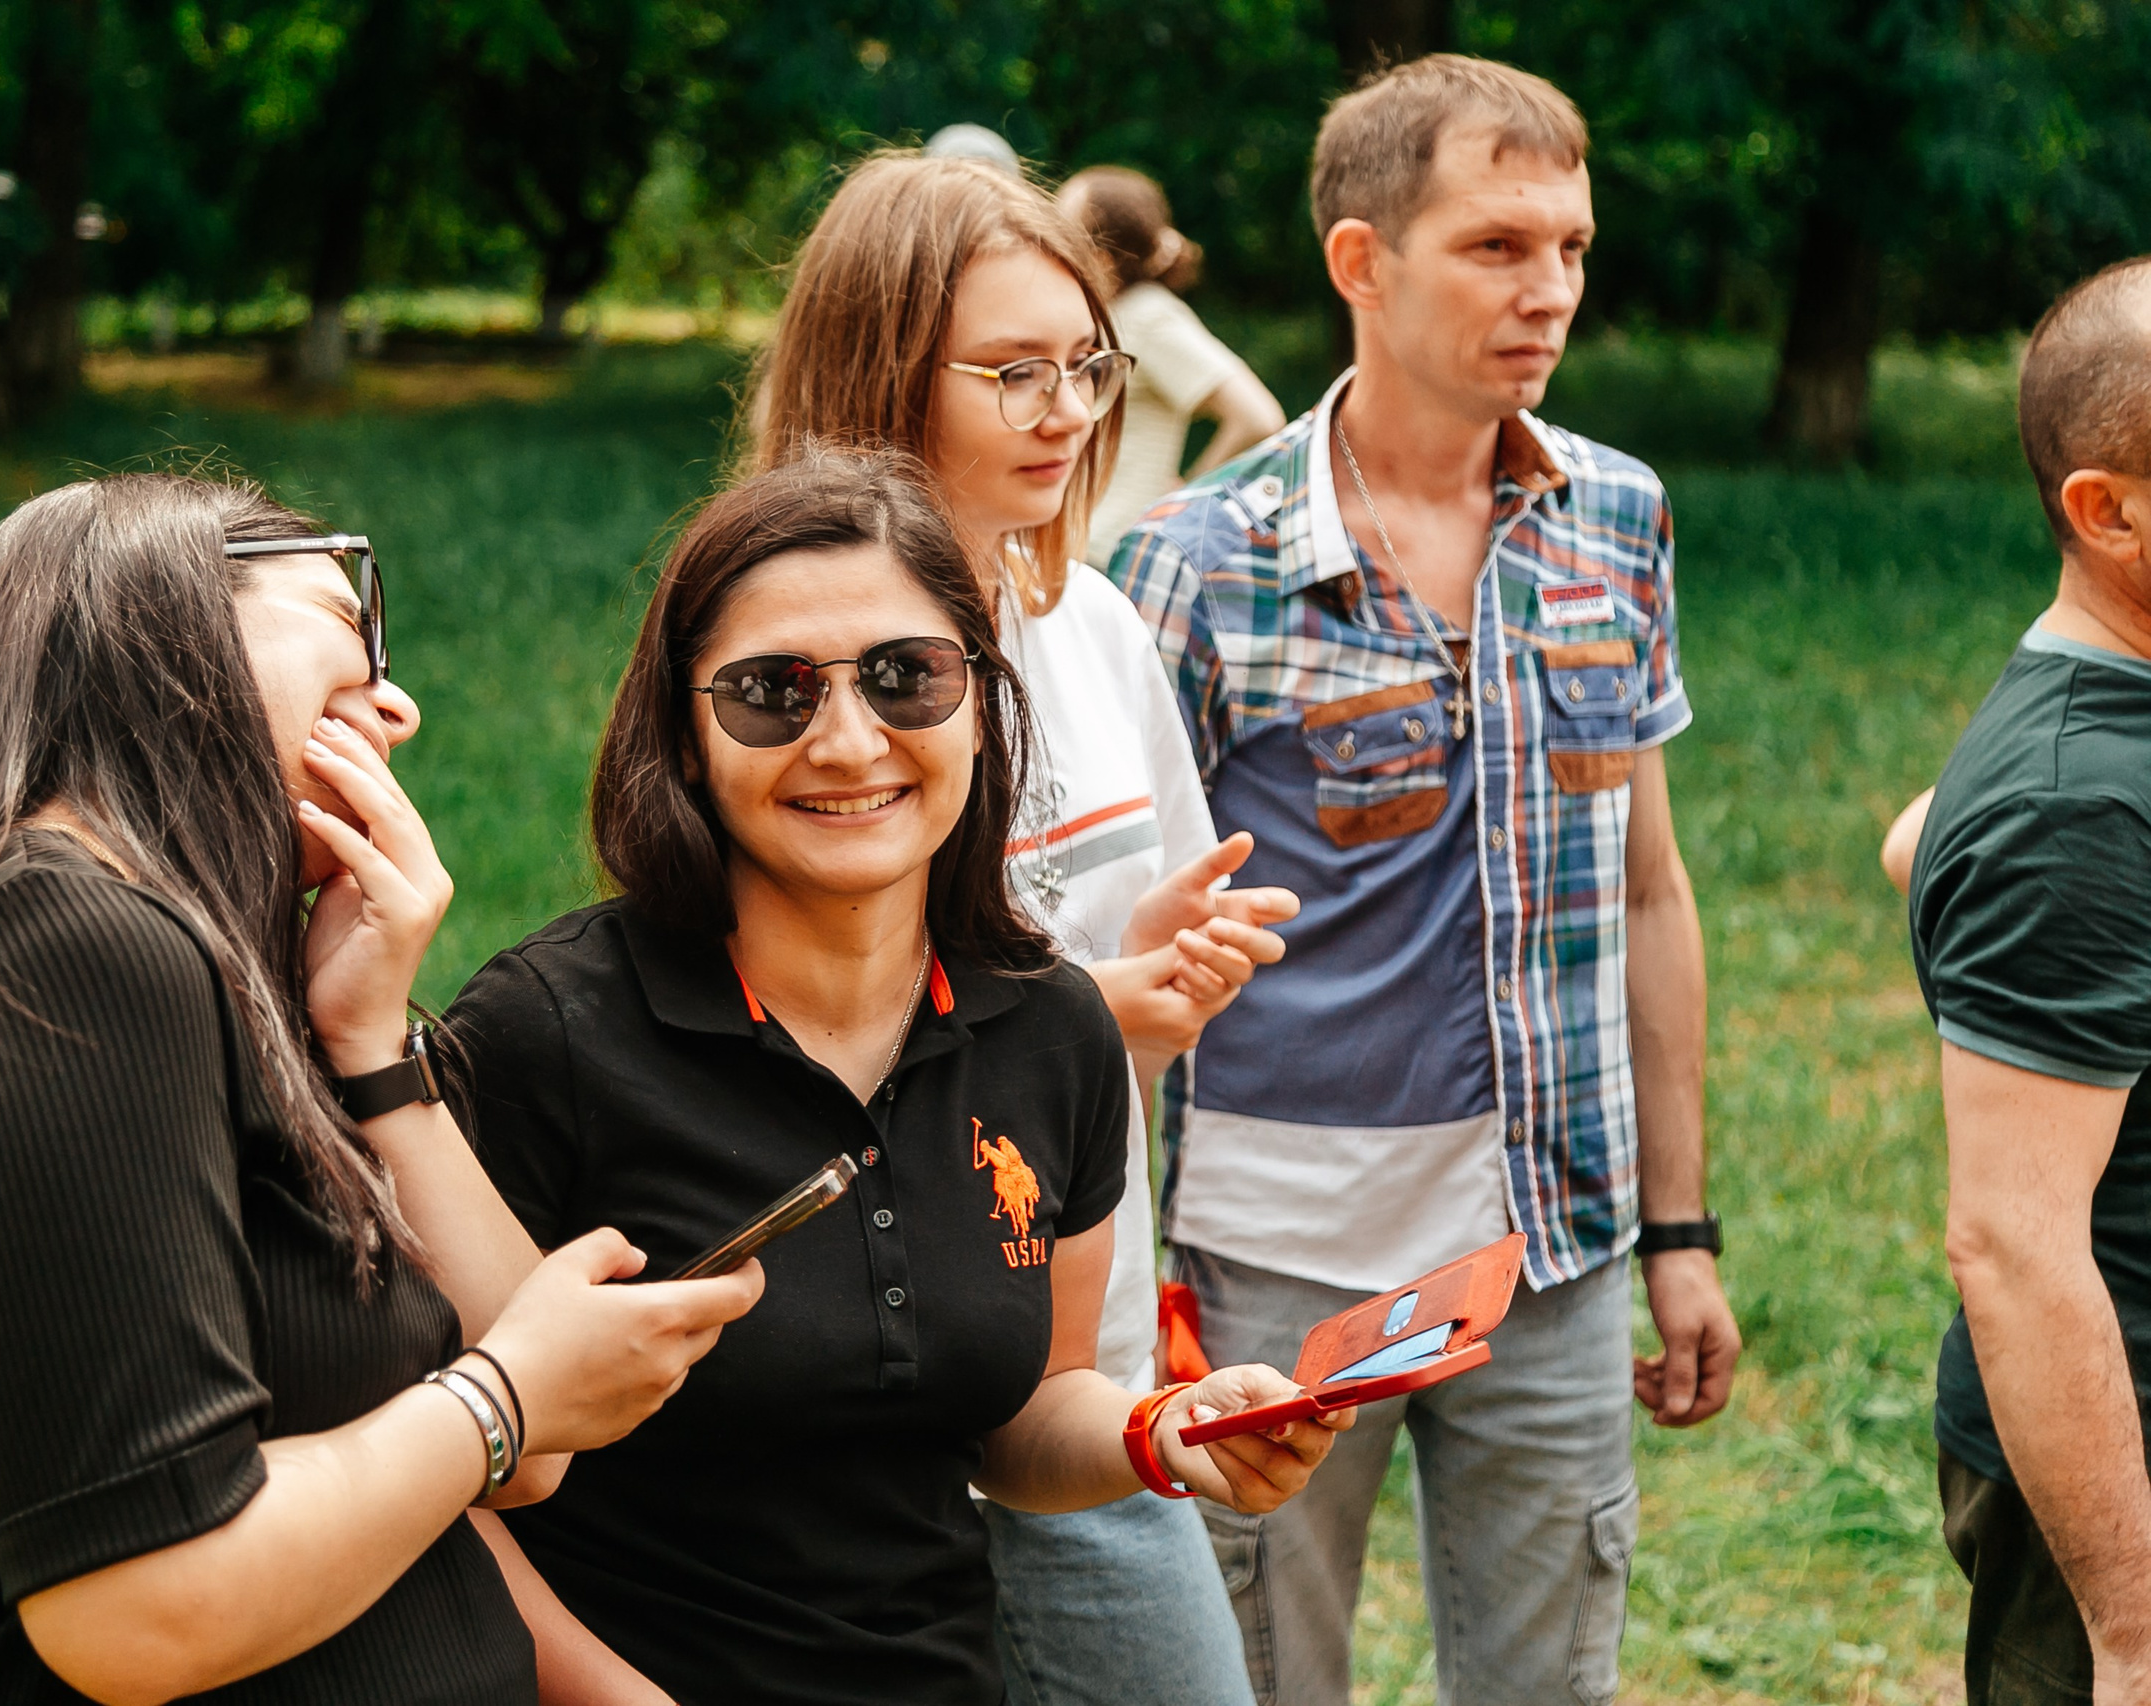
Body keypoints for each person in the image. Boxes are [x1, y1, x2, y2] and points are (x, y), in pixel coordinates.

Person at [0, 472, 762, 1704]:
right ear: (155, 619)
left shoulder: (191, 969)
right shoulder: (49, 937)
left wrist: (366, 1042)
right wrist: (509, 1392)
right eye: (348, 618)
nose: (400, 702)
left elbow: (526, 1465)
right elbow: (142, 1603)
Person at [450, 447, 1344, 1706]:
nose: (849, 738)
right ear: (684, 733)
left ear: (981, 699)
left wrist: (1169, 1432)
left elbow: (1027, 1419)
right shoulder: (544, 1035)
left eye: (905, 676)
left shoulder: (1056, 1032)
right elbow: (442, 1480)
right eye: (772, 692)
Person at [1110, 55, 1743, 1706]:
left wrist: (1678, 1229)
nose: (1550, 294)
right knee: (1249, 1683)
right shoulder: (1197, 561)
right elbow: (1100, 935)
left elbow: (1654, 891)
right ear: (1360, 262)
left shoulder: (1616, 516)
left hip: (1558, 1242)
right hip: (1277, 1262)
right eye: (1496, 248)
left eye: (1573, 249)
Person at [742, 150, 1300, 1706]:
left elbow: (1125, 933)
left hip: (1083, 1361)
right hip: (877, 1405)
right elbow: (745, 1047)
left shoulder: (1094, 625)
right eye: (1014, 372)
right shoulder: (782, 667)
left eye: (1086, 362)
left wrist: (1175, 965)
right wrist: (1092, 1013)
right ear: (877, 380)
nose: (1070, 410)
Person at [1909, 257, 2151, 1706]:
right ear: (2107, 510)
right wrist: (2131, 1630)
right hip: (2125, 1474)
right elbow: (2012, 1243)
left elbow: (1922, 835)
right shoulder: (2076, 810)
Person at [1058, 166, 1286, 567]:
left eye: (1064, 225)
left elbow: (1258, 417)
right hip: (1080, 554)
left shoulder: (1149, 315)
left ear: (1103, 259)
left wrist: (1183, 499)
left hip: (1113, 558)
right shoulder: (1105, 319)